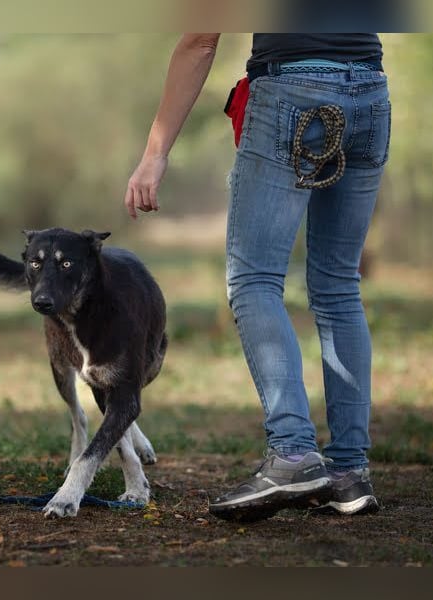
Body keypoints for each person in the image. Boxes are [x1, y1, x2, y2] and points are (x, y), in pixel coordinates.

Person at [125, 33, 390, 520]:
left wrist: (155, 152)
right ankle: (350, 471)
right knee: (338, 285)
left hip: (292, 90)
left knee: (254, 280)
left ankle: (292, 454)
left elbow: (201, 40)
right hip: (370, 90)